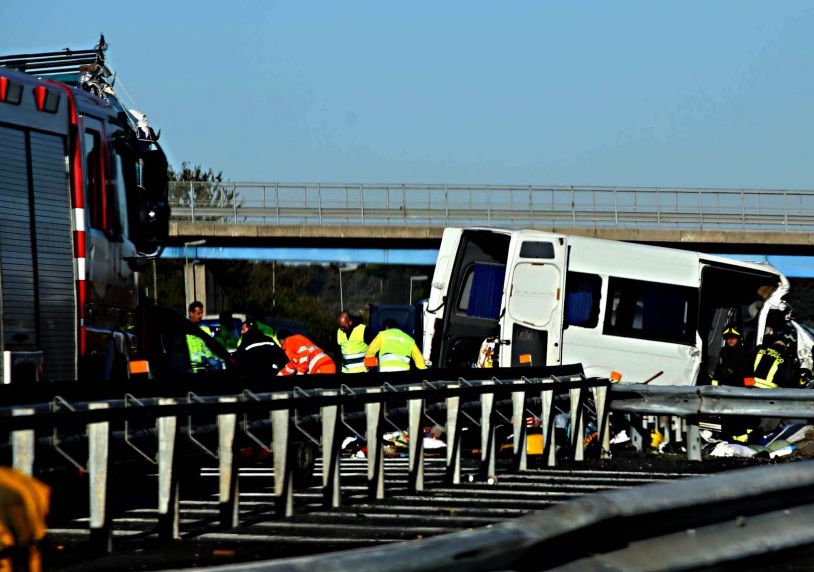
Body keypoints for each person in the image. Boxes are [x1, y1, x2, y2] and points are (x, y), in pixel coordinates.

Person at [186, 300, 218, 372]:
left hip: (204, 370)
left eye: (201, 313)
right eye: (198, 313)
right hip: (190, 371)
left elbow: (207, 349)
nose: (201, 316)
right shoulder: (183, 332)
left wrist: (209, 358)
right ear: (191, 313)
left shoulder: (204, 330)